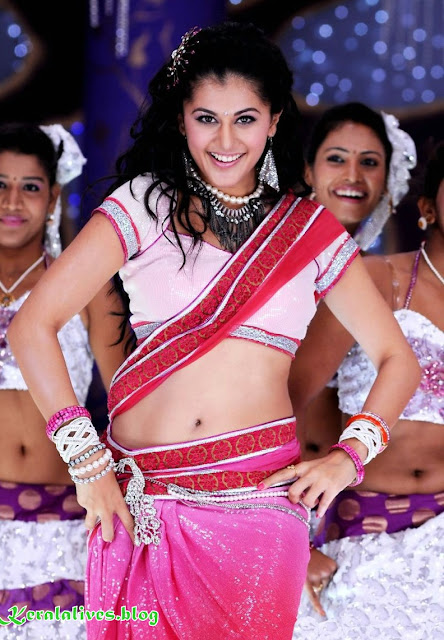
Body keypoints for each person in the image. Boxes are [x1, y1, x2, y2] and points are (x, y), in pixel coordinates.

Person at [8, 23, 420, 640]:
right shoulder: (143, 205)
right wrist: (88, 466)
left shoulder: (308, 231)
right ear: (181, 120)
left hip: (258, 512)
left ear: (273, 122)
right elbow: (32, 326)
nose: (225, 141)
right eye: (207, 118)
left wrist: (347, 458)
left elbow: (397, 358)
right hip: (137, 505)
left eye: (245, 119)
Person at [292, 142, 444, 638]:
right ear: (428, 207)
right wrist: (290, 541)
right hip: (360, 541)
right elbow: (284, 406)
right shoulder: (375, 280)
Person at [0, 122, 127, 638]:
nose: (12, 201)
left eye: (30, 186)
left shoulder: (88, 287)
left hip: (67, 522)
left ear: (53, 197)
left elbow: (128, 396)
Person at [290, 103, 417, 460]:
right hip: (262, 466)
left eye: (369, 163)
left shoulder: (366, 271)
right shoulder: (277, 252)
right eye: (336, 159)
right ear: (308, 171)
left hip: (325, 480)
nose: (353, 175)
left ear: (387, 180)